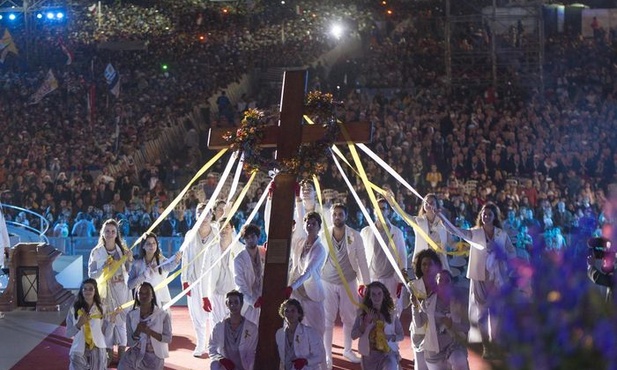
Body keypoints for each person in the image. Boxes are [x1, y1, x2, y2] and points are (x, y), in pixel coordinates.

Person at [438, 202, 515, 358]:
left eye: (489, 214)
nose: (486, 216)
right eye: (484, 214)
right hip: (479, 279)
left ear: (494, 217)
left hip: (496, 280)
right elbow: (456, 232)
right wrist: (441, 218)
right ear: (480, 216)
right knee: (481, 313)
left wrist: (501, 255)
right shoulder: (475, 233)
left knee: (495, 314)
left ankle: (495, 344)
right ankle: (486, 346)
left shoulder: (501, 234)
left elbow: (512, 253)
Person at [320, 203, 370, 367]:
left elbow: (362, 261)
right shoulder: (324, 234)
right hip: (327, 281)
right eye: (335, 214)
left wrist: (366, 284)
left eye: (340, 214)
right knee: (327, 320)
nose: (337, 217)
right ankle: (328, 356)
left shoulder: (355, 236)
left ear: (346, 216)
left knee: (349, 318)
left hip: (348, 282)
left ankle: (347, 350)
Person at [88, 218, 133, 364]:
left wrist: (130, 260)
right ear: (102, 233)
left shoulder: (123, 250)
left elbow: (129, 270)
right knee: (106, 323)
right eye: (107, 231)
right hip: (104, 293)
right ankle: (107, 354)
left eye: (113, 231)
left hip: (121, 290)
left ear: (116, 234)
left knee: (121, 323)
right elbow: (91, 274)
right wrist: (103, 269)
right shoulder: (96, 252)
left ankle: (121, 355)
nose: (110, 234)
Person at [412, 270, 469, 370]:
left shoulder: (459, 302)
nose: (443, 283)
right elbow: (419, 323)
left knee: (459, 360)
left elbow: (467, 327)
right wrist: (415, 307)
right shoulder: (428, 302)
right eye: (440, 280)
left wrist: (452, 325)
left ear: (452, 284)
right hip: (434, 350)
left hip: (454, 345)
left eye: (447, 280)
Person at [181, 202, 218, 357]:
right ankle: (201, 343)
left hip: (214, 282)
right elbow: (185, 258)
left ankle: (215, 345)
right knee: (196, 314)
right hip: (195, 280)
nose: (204, 216)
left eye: (207, 213)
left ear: (212, 215)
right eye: (200, 213)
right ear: (196, 215)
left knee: (216, 314)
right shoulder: (190, 234)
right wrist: (184, 280)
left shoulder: (218, 232)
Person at [384, 191, 451, 276]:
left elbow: (450, 239)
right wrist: (392, 203)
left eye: (432, 203)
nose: (429, 205)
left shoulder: (443, 222)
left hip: (439, 262)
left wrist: (459, 246)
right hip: (422, 262)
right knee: (422, 287)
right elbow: (403, 215)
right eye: (426, 203)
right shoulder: (418, 221)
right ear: (423, 206)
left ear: (437, 205)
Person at [360, 198, 407, 316]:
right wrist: (361, 280)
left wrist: (401, 280)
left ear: (388, 212)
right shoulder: (365, 232)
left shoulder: (397, 233)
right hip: (372, 279)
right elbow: (359, 258)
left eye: (383, 208)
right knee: (370, 315)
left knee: (392, 315)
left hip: (391, 279)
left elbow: (402, 257)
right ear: (373, 211)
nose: (380, 211)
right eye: (377, 208)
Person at [287, 211, 327, 339]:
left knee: (316, 329)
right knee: (296, 328)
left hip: (312, 293)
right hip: (296, 292)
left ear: (319, 227)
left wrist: (291, 287)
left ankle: (319, 358)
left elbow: (308, 272)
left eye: (313, 224)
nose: (309, 226)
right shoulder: (299, 243)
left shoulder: (320, 248)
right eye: (307, 223)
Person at [118, 282, 172, 370]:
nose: (144, 296)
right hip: (134, 356)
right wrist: (138, 331)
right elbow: (130, 343)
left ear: (152, 296)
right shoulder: (131, 315)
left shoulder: (163, 315)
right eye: (141, 293)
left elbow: (168, 339)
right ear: (137, 296)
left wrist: (150, 332)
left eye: (147, 293)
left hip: (154, 357)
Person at [351, 281, 404, 370]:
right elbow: (353, 336)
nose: (377, 297)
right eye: (373, 294)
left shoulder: (392, 314)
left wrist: (390, 337)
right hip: (369, 357)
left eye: (379, 294)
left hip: (388, 354)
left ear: (384, 296)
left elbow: (401, 335)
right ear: (369, 297)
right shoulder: (362, 314)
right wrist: (364, 324)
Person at [203, 218, 243, 327]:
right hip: (216, 294)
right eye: (221, 227)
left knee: (234, 328)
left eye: (227, 227)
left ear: (232, 229)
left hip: (234, 295)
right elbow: (204, 274)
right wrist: (204, 296)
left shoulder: (240, 248)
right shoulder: (211, 249)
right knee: (215, 328)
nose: (224, 230)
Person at [128, 232, 182, 309]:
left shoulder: (161, 260)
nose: (152, 245)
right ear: (143, 246)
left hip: (161, 301)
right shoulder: (137, 264)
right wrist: (143, 276)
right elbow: (130, 285)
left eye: (154, 243)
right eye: (148, 243)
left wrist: (176, 260)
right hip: (143, 302)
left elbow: (170, 267)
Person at [408, 249, 443, 370]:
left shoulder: (441, 285)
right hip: (419, 332)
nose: (427, 267)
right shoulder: (412, 286)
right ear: (419, 266)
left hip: (437, 331)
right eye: (424, 264)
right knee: (420, 366)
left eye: (430, 264)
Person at [208, 290, 259, 370]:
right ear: (226, 305)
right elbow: (212, 348)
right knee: (214, 365)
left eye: (236, 302)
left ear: (241, 304)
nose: (233, 305)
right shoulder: (219, 327)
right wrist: (221, 359)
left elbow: (252, 352)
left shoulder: (252, 328)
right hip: (226, 366)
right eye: (230, 302)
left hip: (244, 366)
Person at [66, 278, 109, 370]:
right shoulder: (73, 309)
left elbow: (106, 332)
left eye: (90, 289)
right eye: (85, 289)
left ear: (95, 291)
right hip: (79, 349)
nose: (87, 291)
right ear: (81, 291)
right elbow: (68, 334)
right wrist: (79, 324)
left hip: (98, 348)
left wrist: (112, 322)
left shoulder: (102, 308)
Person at [276, 299, 326, 370]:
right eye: (286, 311)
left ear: (299, 314)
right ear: (283, 314)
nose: (290, 314)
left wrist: (306, 361)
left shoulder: (310, 332)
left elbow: (320, 356)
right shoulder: (279, 334)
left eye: (293, 311)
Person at [233, 224, 266, 326]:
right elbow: (240, 285)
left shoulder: (264, 252)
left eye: (252, 236)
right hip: (248, 302)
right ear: (243, 240)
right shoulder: (239, 259)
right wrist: (253, 301)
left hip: (264, 300)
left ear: (258, 237)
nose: (250, 240)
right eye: (247, 238)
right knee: (248, 334)